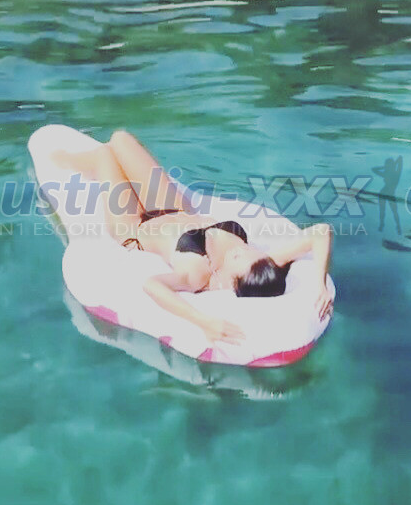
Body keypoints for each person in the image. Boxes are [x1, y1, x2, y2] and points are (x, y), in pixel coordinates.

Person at [52, 130, 333, 346]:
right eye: (249, 252)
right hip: (173, 207)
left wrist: (203, 321)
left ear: (232, 283)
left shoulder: (199, 274)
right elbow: (321, 232)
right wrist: (319, 283)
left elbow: (152, 286)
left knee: (105, 154)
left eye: (240, 259)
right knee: (120, 139)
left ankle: (69, 163)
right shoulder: (263, 266)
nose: (243, 250)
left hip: (134, 228)